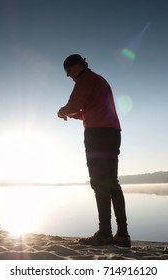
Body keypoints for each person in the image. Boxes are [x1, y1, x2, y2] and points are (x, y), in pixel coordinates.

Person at [57, 54, 131, 247]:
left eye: (68, 73)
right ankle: (122, 234)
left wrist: (62, 111)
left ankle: (105, 233)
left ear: (74, 67)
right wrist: (74, 115)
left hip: (97, 135)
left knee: (99, 183)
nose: (69, 77)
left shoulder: (85, 79)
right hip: (112, 133)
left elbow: (74, 105)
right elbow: (89, 110)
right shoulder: (99, 80)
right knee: (112, 182)